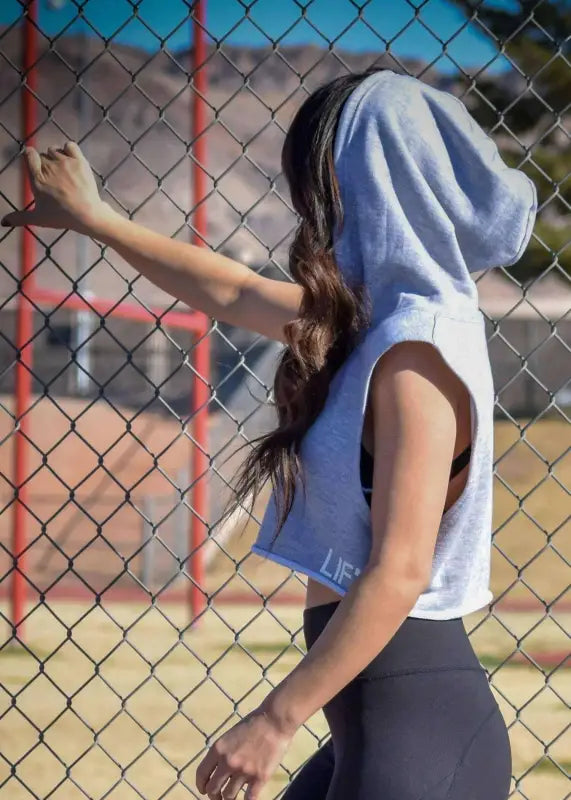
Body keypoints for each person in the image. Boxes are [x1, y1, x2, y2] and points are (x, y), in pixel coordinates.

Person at [2, 67, 536, 800]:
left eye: (313, 183)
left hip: (416, 741)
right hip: (381, 729)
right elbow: (232, 290)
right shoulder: (376, 324)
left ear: (364, 187)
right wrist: (97, 218)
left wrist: (274, 721)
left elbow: (400, 571)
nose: (304, 208)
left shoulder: (416, 351)